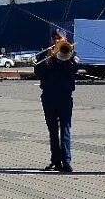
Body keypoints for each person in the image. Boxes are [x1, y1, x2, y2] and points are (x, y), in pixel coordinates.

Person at [33, 29, 79, 173]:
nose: (56, 41)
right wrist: (47, 60)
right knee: (52, 130)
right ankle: (55, 160)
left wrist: (66, 57)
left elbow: (74, 70)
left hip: (65, 96)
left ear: (65, 39)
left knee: (65, 128)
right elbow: (37, 72)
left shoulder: (71, 53)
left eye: (59, 38)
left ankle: (66, 160)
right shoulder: (45, 53)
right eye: (54, 38)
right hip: (48, 96)